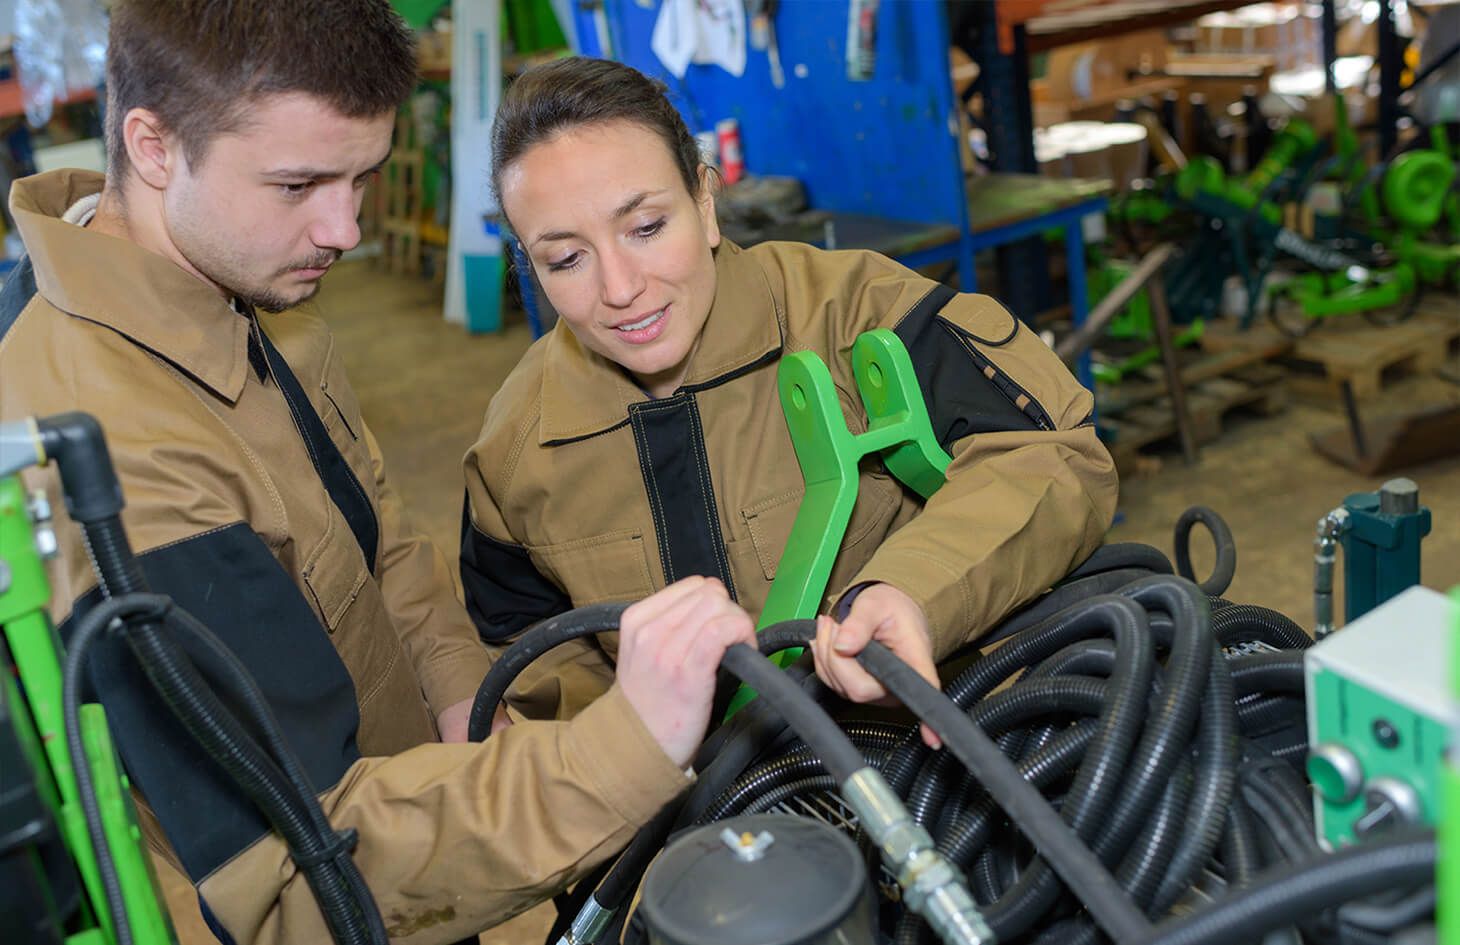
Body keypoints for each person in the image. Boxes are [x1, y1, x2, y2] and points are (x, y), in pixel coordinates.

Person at [0, 5, 759, 944]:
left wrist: (458, 698)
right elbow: (294, 874)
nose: (345, 228)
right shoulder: (122, 459)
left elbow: (378, 540)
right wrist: (623, 749)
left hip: (424, 838)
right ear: (152, 145)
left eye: (363, 177)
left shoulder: (233, 286)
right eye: (298, 184)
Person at [462, 56, 1120, 729]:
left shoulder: (860, 318)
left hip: (926, 757)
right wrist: (629, 759)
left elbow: (1054, 452)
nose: (620, 288)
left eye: (647, 227)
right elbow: (526, 647)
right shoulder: (516, 451)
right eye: (566, 259)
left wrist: (914, 590)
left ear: (706, 201)